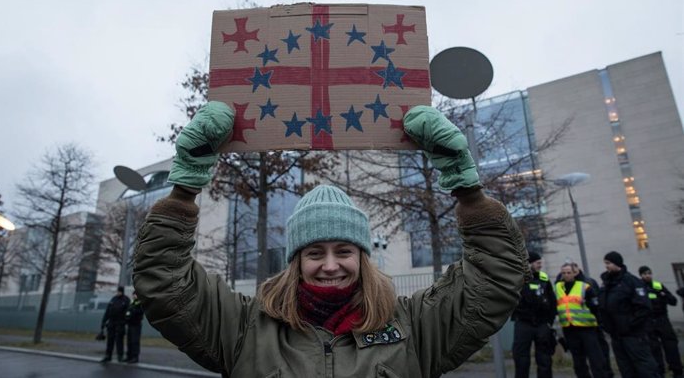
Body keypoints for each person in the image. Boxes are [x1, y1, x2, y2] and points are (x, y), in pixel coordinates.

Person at [132, 102, 528, 377]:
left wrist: (468, 190)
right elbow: (166, 285)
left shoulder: (415, 327)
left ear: (363, 255)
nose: (330, 264)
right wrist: (183, 188)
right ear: (295, 261)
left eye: (344, 250)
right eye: (314, 252)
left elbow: (492, 282)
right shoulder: (244, 328)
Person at [599, 251, 659, 378]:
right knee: (626, 368)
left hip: (633, 335)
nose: (606, 266)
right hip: (616, 335)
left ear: (617, 263)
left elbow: (643, 307)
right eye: (605, 263)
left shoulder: (631, 281)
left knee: (644, 367)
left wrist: (630, 324)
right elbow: (603, 306)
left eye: (608, 263)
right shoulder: (607, 283)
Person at [555, 262, 615, 378]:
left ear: (574, 273)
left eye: (569, 272)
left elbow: (595, 308)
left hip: (587, 329)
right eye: (564, 273)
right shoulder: (557, 288)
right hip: (569, 329)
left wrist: (599, 325)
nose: (566, 275)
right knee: (578, 362)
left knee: (595, 360)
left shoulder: (584, 287)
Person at [511, 251, 557, 378]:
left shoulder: (544, 278)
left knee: (545, 359)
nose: (540, 265)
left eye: (540, 262)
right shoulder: (517, 279)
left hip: (542, 324)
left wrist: (549, 322)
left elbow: (552, 301)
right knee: (521, 359)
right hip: (523, 323)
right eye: (537, 263)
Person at [639, 266, 682, 378]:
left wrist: (663, 295)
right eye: (644, 274)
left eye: (649, 273)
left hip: (662, 319)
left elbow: (673, 301)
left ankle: (677, 369)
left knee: (671, 345)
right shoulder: (640, 288)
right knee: (654, 348)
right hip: (649, 320)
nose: (647, 276)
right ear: (641, 275)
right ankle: (659, 371)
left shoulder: (658, 286)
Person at [100, 286, 130, 363]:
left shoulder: (126, 300)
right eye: (117, 291)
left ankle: (120, 356)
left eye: (119, 291)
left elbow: (128, 312)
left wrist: (124, 321)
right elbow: (108, 311)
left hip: (120, 323)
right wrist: (104, 322)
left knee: (119, 341)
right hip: (111, 323)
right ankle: (108, 355)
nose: (117, 293)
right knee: (110, 340)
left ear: (122, 292)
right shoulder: (113, 299)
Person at [125, 291, 144, 364]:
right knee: (129, 341)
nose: (134, 296)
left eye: (135, 295)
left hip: (136, 325)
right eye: (133, 295)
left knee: (135, 341)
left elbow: (140, 313)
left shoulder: (140, 304)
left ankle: (135, 357)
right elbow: (127, 312)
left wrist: (133, 311)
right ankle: (129, 356)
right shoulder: (131, 303)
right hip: (130, 324)